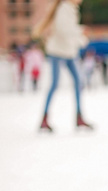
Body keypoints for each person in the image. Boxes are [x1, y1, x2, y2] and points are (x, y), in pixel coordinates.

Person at [32, 0, 92, 132]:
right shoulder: (65, 8)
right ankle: (45, 118)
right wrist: (81, 34)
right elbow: (64, 31)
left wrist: (79, 37)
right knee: (54, 84)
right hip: (58, 51)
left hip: (69, 51)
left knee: (78, 81)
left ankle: (79, 116)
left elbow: (68, 31)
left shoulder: (70, 8)